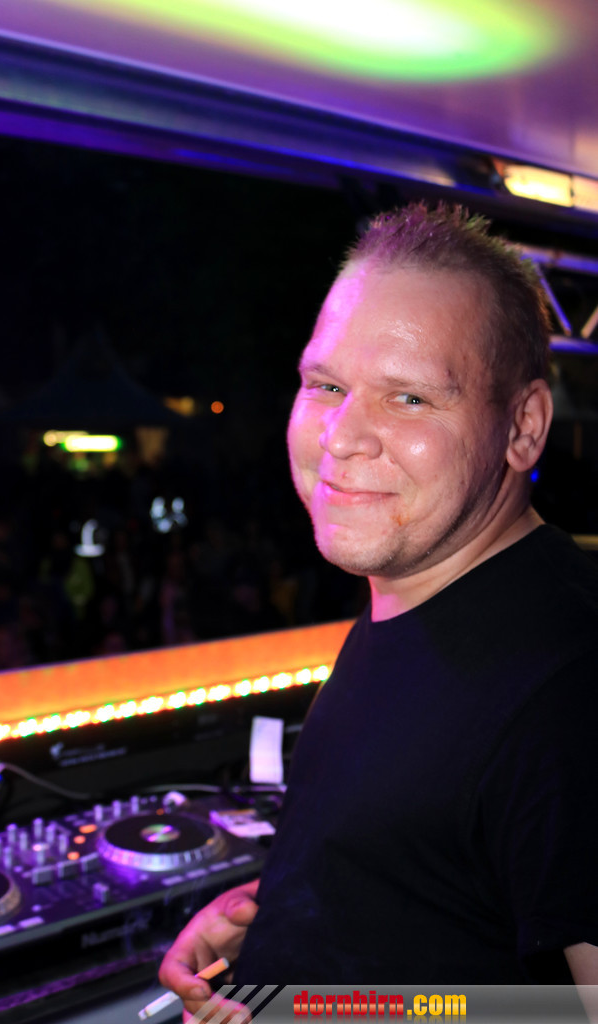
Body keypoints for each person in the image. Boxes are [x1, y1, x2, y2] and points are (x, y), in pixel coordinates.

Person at [159, 202, 598, 1013]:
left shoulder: (568, 688)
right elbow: (445, 871)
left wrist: (314, 1010)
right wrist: (277, 913)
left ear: (523, 427)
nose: (340, 436)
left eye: (409, 399)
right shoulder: (422, 587)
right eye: (325, 385)